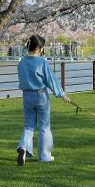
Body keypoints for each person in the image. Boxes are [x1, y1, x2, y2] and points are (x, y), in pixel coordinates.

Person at [16, 35, 70, 166]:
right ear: (39, 48)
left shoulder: (21, 61)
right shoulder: (42, 62)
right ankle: (44, 155)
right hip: (40, 96)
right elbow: (50, 80)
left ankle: (23, 147)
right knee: (44, 126)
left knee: (29, 126)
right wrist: (62, 94)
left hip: (27, 96)